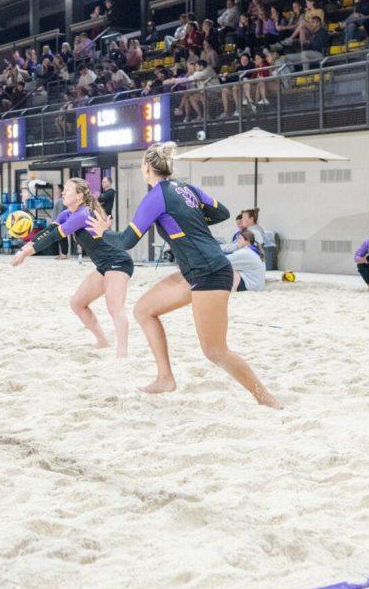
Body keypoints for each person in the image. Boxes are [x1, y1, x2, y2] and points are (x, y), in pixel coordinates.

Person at [88, 142, 280, 408]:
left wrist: (103, 232)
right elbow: (222, 212)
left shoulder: (156, 196)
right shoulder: (187, 188)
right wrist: (194, 218)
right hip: (196, 270)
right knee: (144, 310)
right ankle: (165, 378)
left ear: (146, 168)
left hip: (209, 271)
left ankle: (267, 399)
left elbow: (126, 241)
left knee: (215, 350)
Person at [12, 178, 133, 357]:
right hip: (103, 265)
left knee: (115, 306)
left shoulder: (83, 214)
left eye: (67, 190)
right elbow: (49, 232)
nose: (63, 193)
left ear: (79, 196)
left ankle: (122, 353)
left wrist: (25, 254)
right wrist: (24, 248)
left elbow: (54, 238)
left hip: (118, 261)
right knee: (77, 303)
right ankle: (102, 341)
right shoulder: (68, 213)